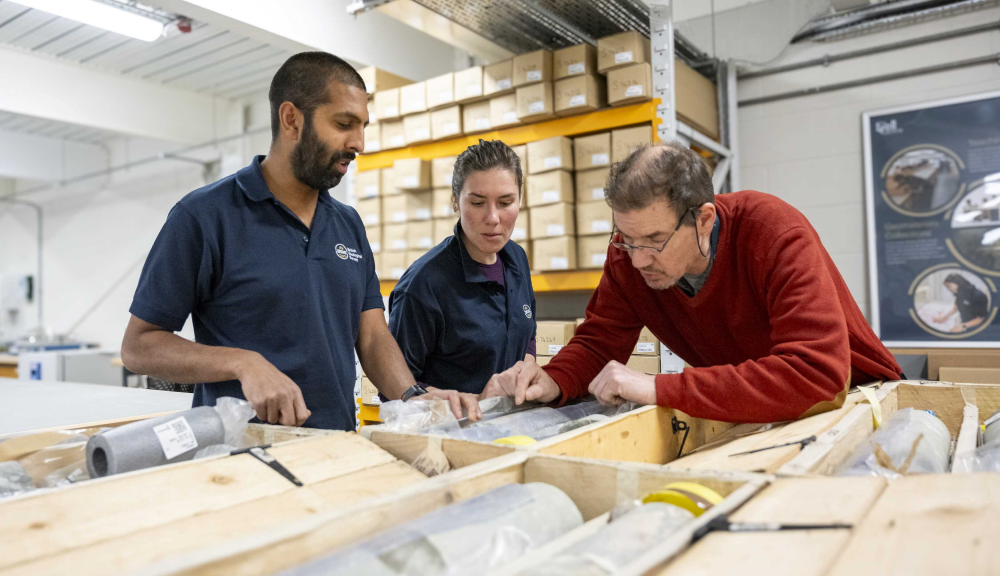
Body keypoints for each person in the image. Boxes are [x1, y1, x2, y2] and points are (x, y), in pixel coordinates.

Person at [121, 52, 481, 429]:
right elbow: (138, 346)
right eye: (344, 123)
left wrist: (412, 397)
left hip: (335, 449)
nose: (358, 143)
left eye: (363, 126)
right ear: (291, 119)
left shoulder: (348, 225)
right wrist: (243, 363)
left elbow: (372, 335)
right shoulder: (204, 217)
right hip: (241, 460)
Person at [482, 141, 902, 423]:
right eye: (627, 238)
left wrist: (660, 387)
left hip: (855, 405)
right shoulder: (627, 255)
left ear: (703, 220)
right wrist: (555, 380)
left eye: (655, 240)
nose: (639, 259)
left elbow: (816, 375)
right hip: (758, 411)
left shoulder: (773, 232)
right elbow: (599, 342)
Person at [388, 140, 535, 394]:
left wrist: (528, 370)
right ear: (455, 201)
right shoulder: (423, 285)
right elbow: (395, 390)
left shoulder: (517, 259)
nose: (492, 218)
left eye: (505, 202)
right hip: (450, 431)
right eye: (478, 203)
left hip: (514, 429)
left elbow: (527, 336)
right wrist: (474, 403)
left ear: (520, 199)